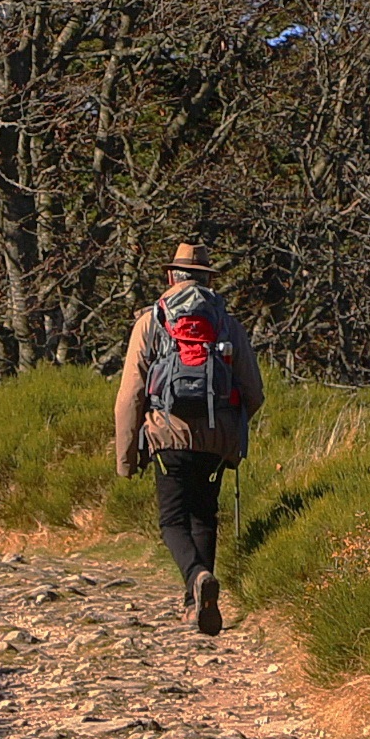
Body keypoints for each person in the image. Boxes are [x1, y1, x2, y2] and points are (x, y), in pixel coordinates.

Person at [114, 242, 267, 636]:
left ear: (171, 277)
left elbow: (130, 394)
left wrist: (126, 459)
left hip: (169, 435)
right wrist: (231, 432)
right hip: (217, 440)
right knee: (204, 516)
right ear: (207, 279)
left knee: (172, 520)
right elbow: (254, 392)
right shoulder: (227, 324)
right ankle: (194, 604)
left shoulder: (152, 321)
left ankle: (197, 577)